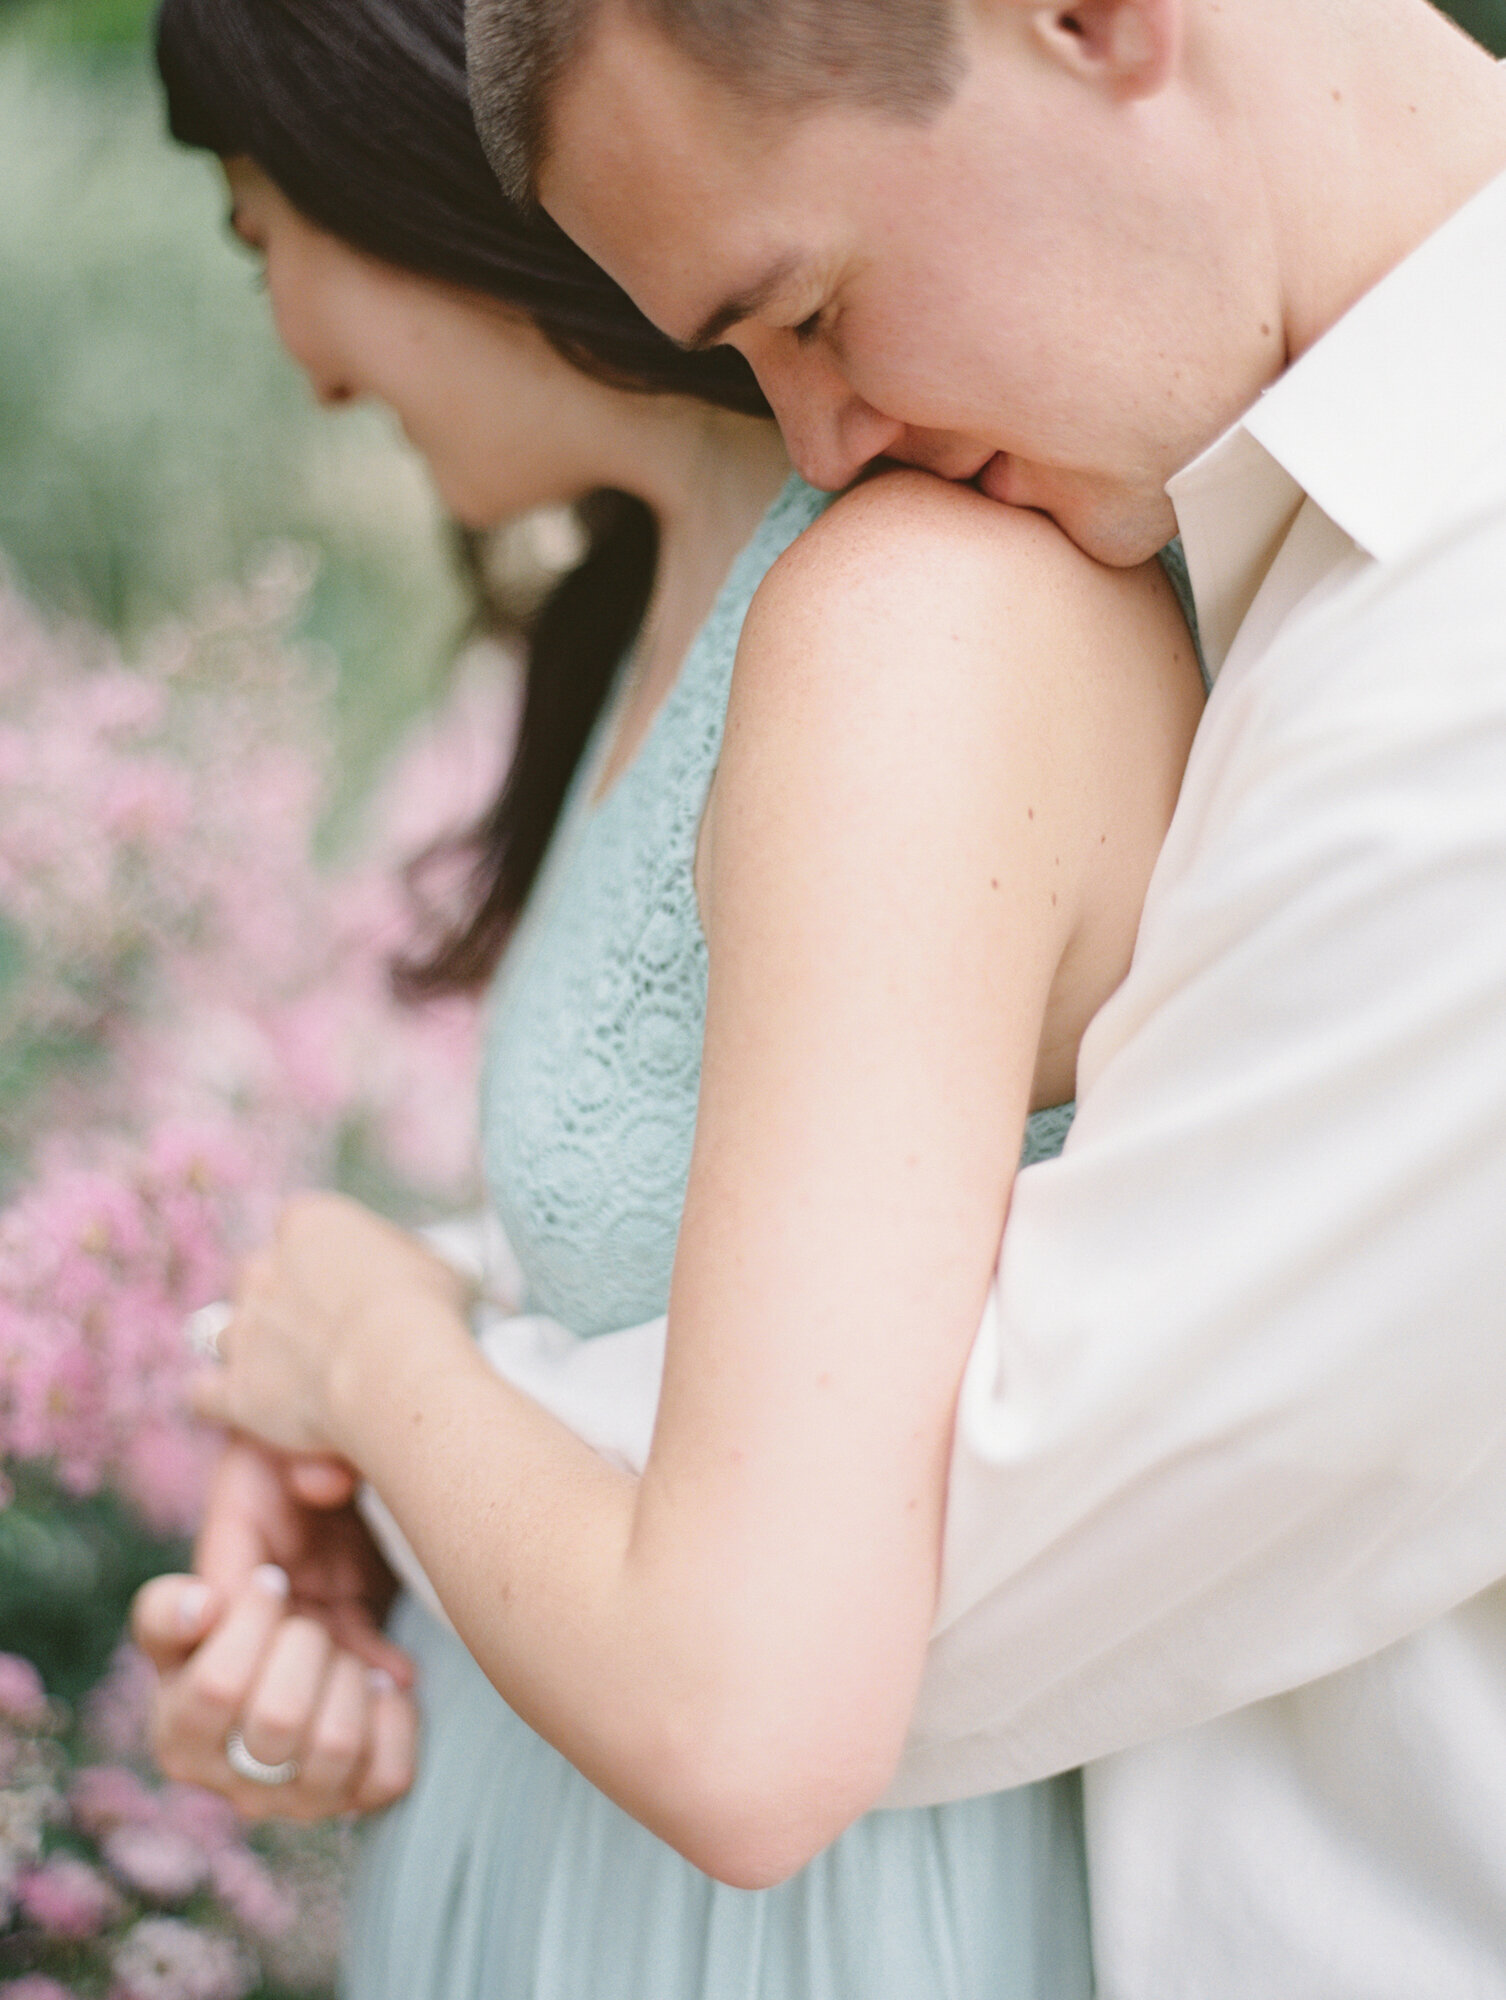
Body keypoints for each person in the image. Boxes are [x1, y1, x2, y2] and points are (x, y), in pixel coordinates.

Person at [136, 0, 1201, 1992]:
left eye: (254, 221)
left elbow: (746, 1701)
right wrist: (365, 1448)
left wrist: (370, 1352)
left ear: (391, 158)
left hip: (822, 1917)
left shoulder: (921, 621)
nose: (299, 352)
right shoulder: (662, 608)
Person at [454, 0, 1506, 1991]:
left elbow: (799, 1642)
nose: (825, 443)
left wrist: (371, 1364)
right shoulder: (1300, 532)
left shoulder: (1474, 687)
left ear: (1095, 24)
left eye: (815, 311)